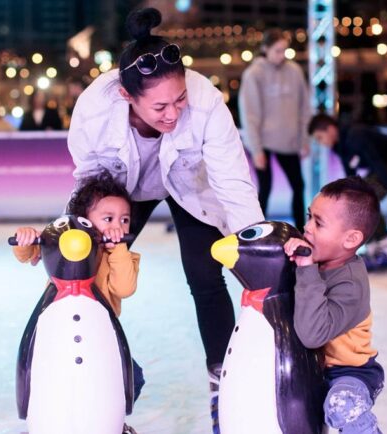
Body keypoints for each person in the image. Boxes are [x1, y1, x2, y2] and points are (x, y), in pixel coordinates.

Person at [66, 8, 263, 432]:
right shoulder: (94, 110)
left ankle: (225, 384)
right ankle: (97, 381)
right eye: (159, 106)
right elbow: (88, 183)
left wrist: (254, 245)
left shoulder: (207, 100)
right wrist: (76, 234)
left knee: (206, 275)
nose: (172, 114)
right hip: (118, 191)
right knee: (87, 273)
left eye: (179, 100)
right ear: (127, 96)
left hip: (190, 188)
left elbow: (232, 180)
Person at [12, 172, 142, 434]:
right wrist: (25, 238)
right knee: (50, 377)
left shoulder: (122, 256)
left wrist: (118, 249)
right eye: (108, 218)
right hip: (58, 339)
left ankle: (114, 420)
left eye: (124, 220)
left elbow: (125, 287)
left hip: (100, 340)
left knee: (130, 377)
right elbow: (28, 253)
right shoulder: (65, 244)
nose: (118, 225)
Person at [284, 176, 384, 434]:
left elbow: (312, 334)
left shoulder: (351, 285)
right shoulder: (320, 257)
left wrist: (305, 270)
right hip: (312, 367)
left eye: (318, 223)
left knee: (341, 404)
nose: (306, 228)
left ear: (350, 240)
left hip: (349, 373)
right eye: (309, 216)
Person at [308, 113, 387, 271]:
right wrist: (349, 192)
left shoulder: (356, 136)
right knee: (358, 201)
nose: (322, 143)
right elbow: (350, 171)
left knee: (368, 200)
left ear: (331, 129)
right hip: (380, 167)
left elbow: (377, 162)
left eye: (320, 137)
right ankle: (375, 247)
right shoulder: (339, 145)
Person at [238, 28, 310, 230]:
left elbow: (304, 107)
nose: (282, 55)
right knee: (265, 189)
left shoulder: (294, 71)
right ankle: (258, 233)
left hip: (289, 142)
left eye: (284, 50)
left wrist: (304, 139)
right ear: (265, 49)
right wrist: (257, 149)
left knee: (299, 186)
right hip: (264, 143)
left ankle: (302, 231)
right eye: (277, 50)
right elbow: (249, 114)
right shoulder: (253, 74)